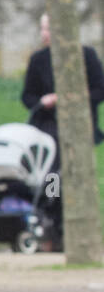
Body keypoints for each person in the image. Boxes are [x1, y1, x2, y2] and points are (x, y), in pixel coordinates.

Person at [21, 13, 104, 247]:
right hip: (48, 131)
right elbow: (27, 96)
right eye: (42, 28)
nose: (45, 33)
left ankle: (82, 231)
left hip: (79, 128)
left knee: (77, 177)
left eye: (49, 28)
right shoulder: (38, 60)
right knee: (52, 178)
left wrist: (73, 98)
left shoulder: (85, 56)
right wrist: (44, 101)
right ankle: (52, 223)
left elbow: (100, 89)